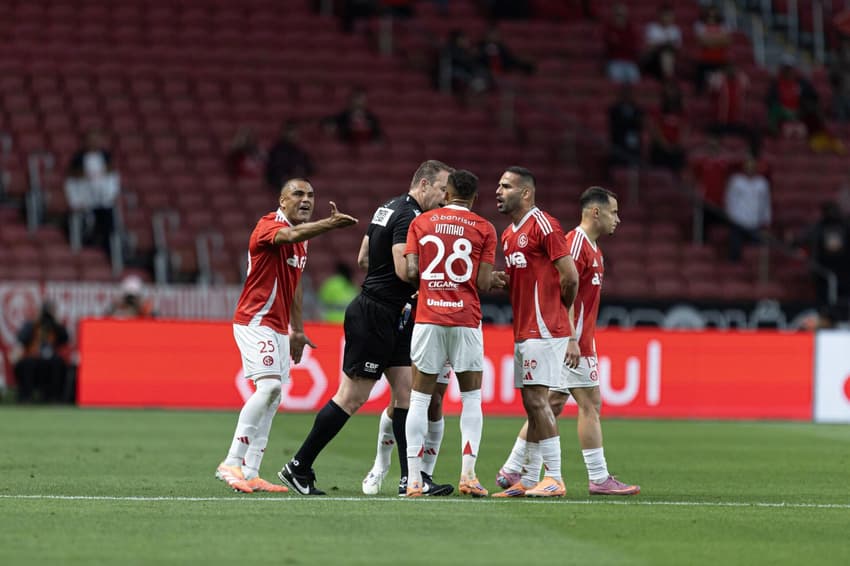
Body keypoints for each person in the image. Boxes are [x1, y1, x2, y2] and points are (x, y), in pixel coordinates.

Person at [278, 160, 452, 496]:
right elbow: (405, 271)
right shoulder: (410, 216)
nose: (444, 198)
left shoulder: (386, 208)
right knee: (352, 397)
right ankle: (298, 466)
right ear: (425, 184)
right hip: (375, 314)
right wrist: (439, 274)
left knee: (405, 393)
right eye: (442, 190)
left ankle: (411, 480)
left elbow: (363, 259)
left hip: (392, 314)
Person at [495, 186, 640, 496]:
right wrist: (571, 337)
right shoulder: (575, 245)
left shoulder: (593, 248)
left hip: (574, 340)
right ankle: (598, 477)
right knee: (587, 405)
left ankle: (517, 469)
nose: (618, 219)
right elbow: (563, 287)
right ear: (595, 212)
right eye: (614, 212)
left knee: (550, 404)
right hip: (569, 341)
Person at [215, 178, 358, 494]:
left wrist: (297, 330)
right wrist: (329, 225)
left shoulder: (302, 240)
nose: (306, 199)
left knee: (275, 395)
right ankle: (231, 461)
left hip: (279, 327)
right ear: (282, 200)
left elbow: (295, 284)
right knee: (269, 387)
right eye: (298, 194)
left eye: (311, 195)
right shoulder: (269, 224)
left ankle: (251, 472)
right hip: (255, 320)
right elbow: (290, 234)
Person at [403, 169, 500, 497]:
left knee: (419, 398)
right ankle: (468, 475)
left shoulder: (421, 222)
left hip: (428, 316)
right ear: (475, 198)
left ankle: (414, 480)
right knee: (471, 398)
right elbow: (485, 283)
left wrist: (431, 285)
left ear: (447, 193)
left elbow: (412, 270)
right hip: (465, 319)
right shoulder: (484, 228)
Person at [491, 166, 579, 498]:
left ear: (525, 193)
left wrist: (559, 313)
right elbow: (525, 279)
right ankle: (528, 479)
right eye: (498, 186)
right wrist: (505, 281)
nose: (498, 191)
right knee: (531, 403)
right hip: (524, 328)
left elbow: (569, 276)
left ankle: (554, 477)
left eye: (506, 186)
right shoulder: (508, 234)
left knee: (539, 401)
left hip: (544, 328)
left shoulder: (543, 224)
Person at [64, 129, 121, 252]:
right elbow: (71, 182)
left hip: (104, 200)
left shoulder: (106, 157)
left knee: (109, 227)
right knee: (86, 225)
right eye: (91, 139)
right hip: (85, 201)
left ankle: (109, 251)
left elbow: (112, 178)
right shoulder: (78, 159)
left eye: (97, 139)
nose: (95, 142)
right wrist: (75, 201)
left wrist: (112, 194)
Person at [12, 301, 70, 404]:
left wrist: (55, 322)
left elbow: (65, 339)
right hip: (34, 359)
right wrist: (36, 321)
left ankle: (54, 398)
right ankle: (26, 398)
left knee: (57, 362)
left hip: (49, 361)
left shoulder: (55, 326)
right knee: (28, 363)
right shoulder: (32, 324)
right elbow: (21, 338)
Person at [724, 155, 771, 262]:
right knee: (735, 250)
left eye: (752, 167)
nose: (750, 169)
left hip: (755, 222)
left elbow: (766, 203)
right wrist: (730, 216)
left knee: (756, 251)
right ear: (744, 168)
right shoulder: (736, 181)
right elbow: (729, 199)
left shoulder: (762, 183)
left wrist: (766, 220)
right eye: (748, 167)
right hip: (738, 221)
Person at [265, 120, 316, 193]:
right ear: (284, 133)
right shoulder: (277, 151)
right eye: (291, 131)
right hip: (279, 187)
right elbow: (274, 171)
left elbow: (310, 168)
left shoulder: (299, 151)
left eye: (296, 132)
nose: (294, 134)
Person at [603, 3, 641, 84]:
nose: (620, 17)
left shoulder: (631, 29)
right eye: (618, 15)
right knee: (616, 80)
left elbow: (632, 46)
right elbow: (610, 45)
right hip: (615, 61)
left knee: (635, 80)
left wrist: (619, 42)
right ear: (614, 16)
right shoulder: (609, 29)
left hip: (630, 62)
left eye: (623, 15)